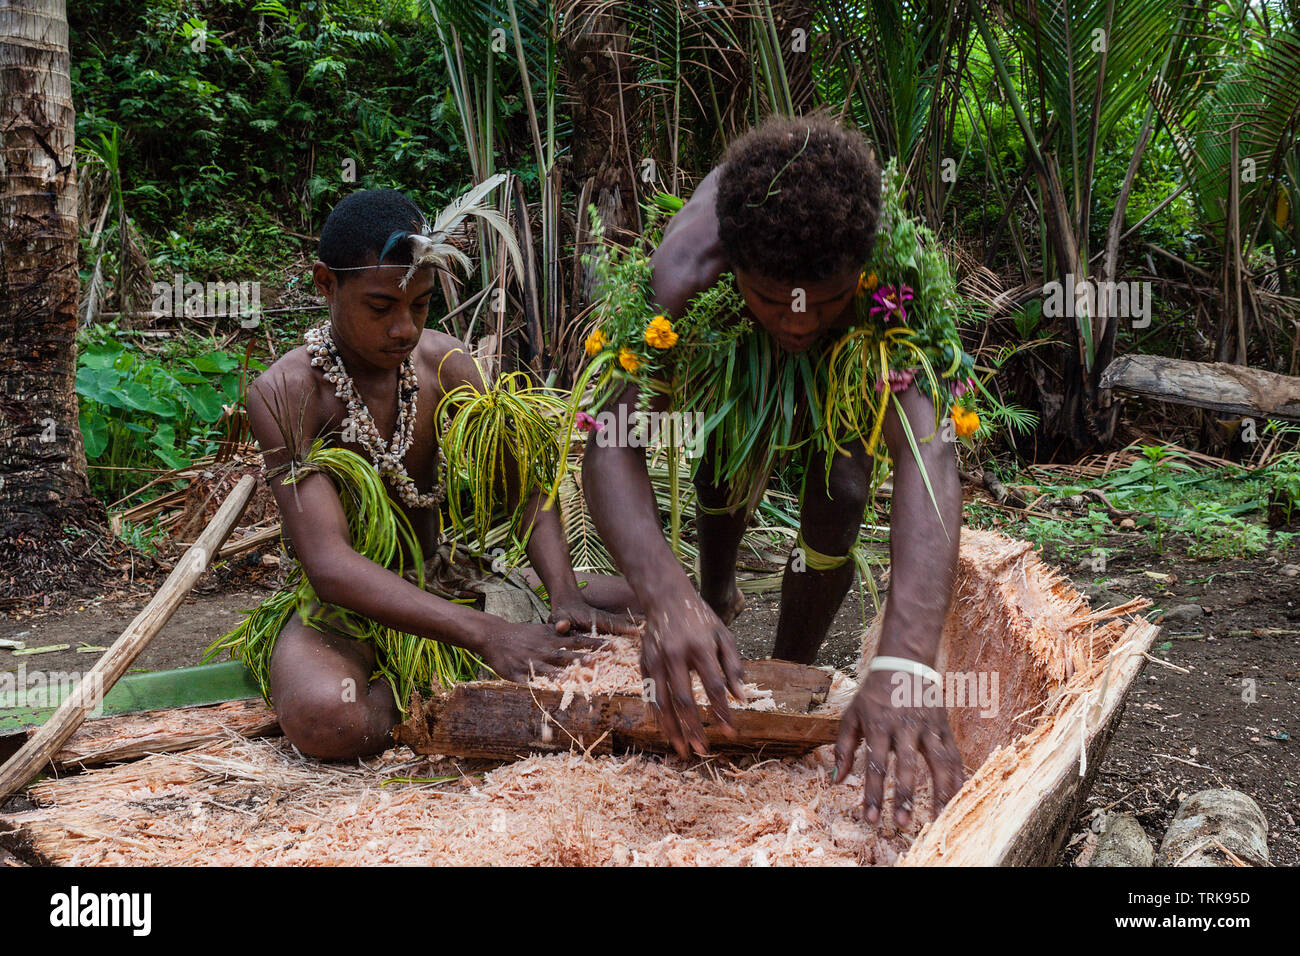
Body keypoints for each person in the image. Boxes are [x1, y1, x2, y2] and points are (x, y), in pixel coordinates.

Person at [580, 114, 969, 825]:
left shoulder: (887, 285)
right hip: (726, 336)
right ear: (732, 267)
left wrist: (908, 662)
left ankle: (784, 674)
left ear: (861, 270)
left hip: (848, 348)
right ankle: (715, 593)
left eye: (821, 301)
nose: (794, 324)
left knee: (844, 491)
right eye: (777, 301)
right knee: (727, 460)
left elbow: (930, 451)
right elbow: (609, 441)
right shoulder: (685, 271)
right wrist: (665, 595)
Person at [215, 187, 638, 760]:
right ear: (325, 284)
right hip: (349, 612)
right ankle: (440, 690)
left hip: (451, 581)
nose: (404, 329)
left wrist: (564, 593)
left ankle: (515, 631)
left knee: (665, 601)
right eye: (380, 307)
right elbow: (330, 566)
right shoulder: (287, 394)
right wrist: (490, 635)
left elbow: (525, 489)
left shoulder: (446, 364)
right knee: (327, 720)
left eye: (419, 304)